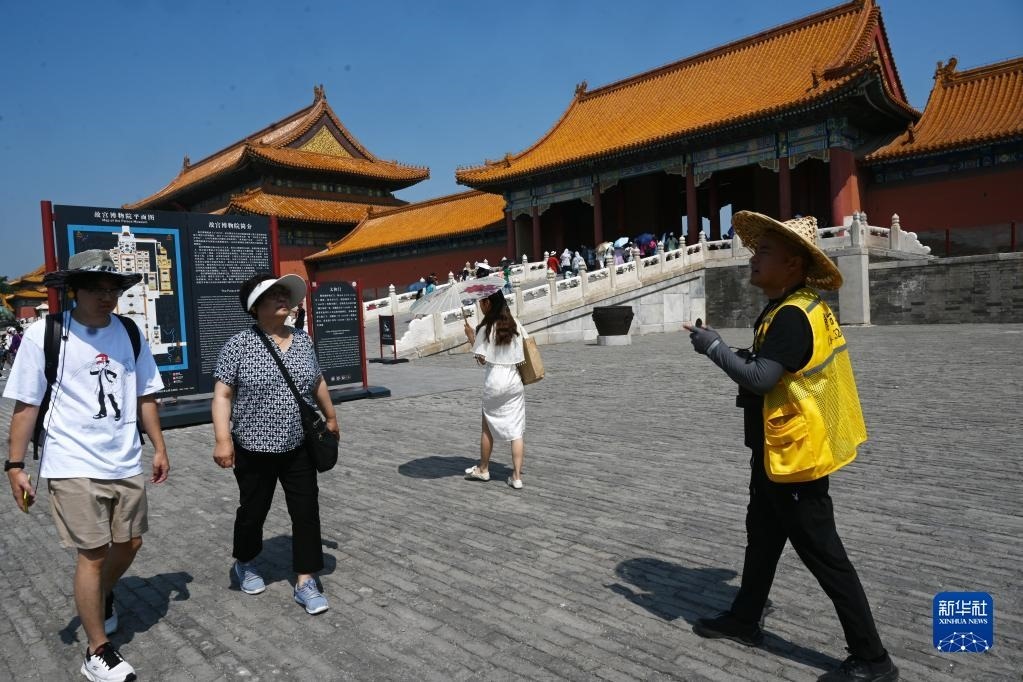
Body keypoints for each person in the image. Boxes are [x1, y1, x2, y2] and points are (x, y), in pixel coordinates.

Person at [683, 212, 898, 682]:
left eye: (764, 251)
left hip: (796, 456)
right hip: (777, 449)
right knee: (762, 538)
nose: (753, 258)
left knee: (825, 555)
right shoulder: (791, 306)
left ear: (793, 263)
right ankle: (745, 618)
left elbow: (762, 379)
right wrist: (730, 351)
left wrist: (714, 348)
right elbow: (772, 365)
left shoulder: (793, 316)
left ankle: (873, 658)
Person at [4, 249, 169, 681]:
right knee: (92, 553)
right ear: (74, 290)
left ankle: (100, 596)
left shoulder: (129, 332)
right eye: (96, 288)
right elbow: (26, 404)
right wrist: (14, 465)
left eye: (113, 288)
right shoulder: (45, 334)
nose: (106, 296)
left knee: (130, 543)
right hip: (71, 459)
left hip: (124, 456)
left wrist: (159, 446)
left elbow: (146, 394)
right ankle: (97, 651)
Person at [212, 272, 339, 616]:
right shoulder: (238, 345)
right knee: (253, 511)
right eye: (274, 295)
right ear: (255, 306)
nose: (283, 299)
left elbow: (316, 381)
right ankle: (245, 561)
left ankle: (306, 580)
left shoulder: (303, 340)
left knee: (306, 511)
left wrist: (331, 416)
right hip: (253, 446)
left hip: (298, 444)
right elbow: (223, 394)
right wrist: (222, 439)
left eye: (285, 294)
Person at [462, 290, 528, 490]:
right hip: (514, 380)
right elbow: (526, 345)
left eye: (481, 302)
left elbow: (482, 359)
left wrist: (471, 337)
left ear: (489, 303)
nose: (480, 306)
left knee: (487, 428)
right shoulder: (514, 323)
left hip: (495, 381)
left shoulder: (486, 327)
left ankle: (483, 469)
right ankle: (516, 477)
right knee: (516, 431)